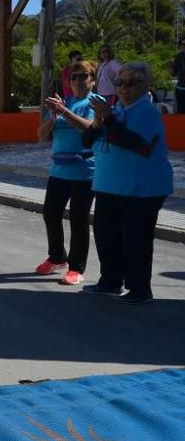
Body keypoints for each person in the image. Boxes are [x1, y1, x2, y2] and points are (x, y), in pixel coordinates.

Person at [81, 61, 172, 304]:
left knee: (136, 240)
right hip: (109, 186)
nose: (123, 87)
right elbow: (88, 140)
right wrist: (99, 121)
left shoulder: (146, 112)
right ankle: (110, 281)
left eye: (131, 83)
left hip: (141, 190)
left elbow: (134, 143)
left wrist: (108, 117)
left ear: (145, 85)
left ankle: (140, 289)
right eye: (119, 82)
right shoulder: (117, 111)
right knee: (106, 236)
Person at [38, 62, 98, 286]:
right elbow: (41, 135)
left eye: (84, 76)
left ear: (92, 80)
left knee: (78, 219)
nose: (78, 80)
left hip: (84, 172)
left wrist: (64, 112)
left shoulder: (93, 103)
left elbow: (90, 128)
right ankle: (56, 258)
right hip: (59, 171)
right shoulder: (64, 103)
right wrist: (53, 117)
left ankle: (76, 268)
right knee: (51, 214)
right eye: (74, 76)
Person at [172, 38, 185, 114]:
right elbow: (174, 73)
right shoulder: (178, 57)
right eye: (182, 44)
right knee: (180, 113)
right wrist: (170, 67)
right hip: (180, 89)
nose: (183, 46)